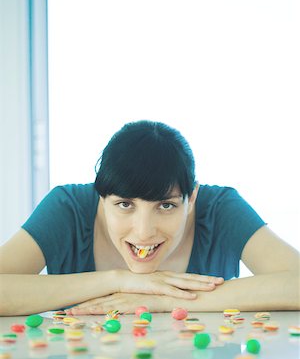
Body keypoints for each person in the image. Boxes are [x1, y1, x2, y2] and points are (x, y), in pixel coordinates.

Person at [0, 120, 299, 316]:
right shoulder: (67, 208)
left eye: (166, 206)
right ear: (100, 197)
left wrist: (168, 300)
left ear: (191, 198)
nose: (143, 232)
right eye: (125, 205)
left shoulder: (220, 208)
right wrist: (118, 281)